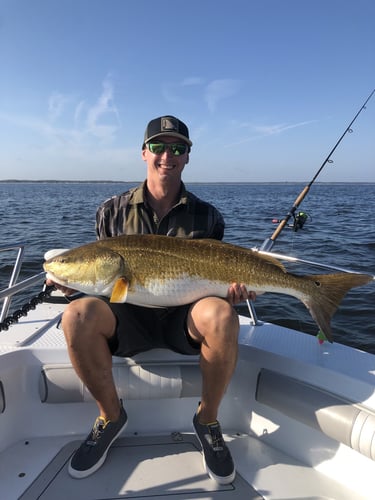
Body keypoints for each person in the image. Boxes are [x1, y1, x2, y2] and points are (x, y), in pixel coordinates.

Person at [51, 115, 255, 484]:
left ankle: (207, 419)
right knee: (77, 314)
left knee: (223, 314)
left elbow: (216, 273)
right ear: (144, 153)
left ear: (187, 157)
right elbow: (103, 277)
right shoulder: (110, 211)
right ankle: (110, 417)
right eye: (158, 147)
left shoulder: (208, 216)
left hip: (183, 317)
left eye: (177, 148)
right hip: (127, 316)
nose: (167, 155)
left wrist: (235, 290)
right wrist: (73, 279)